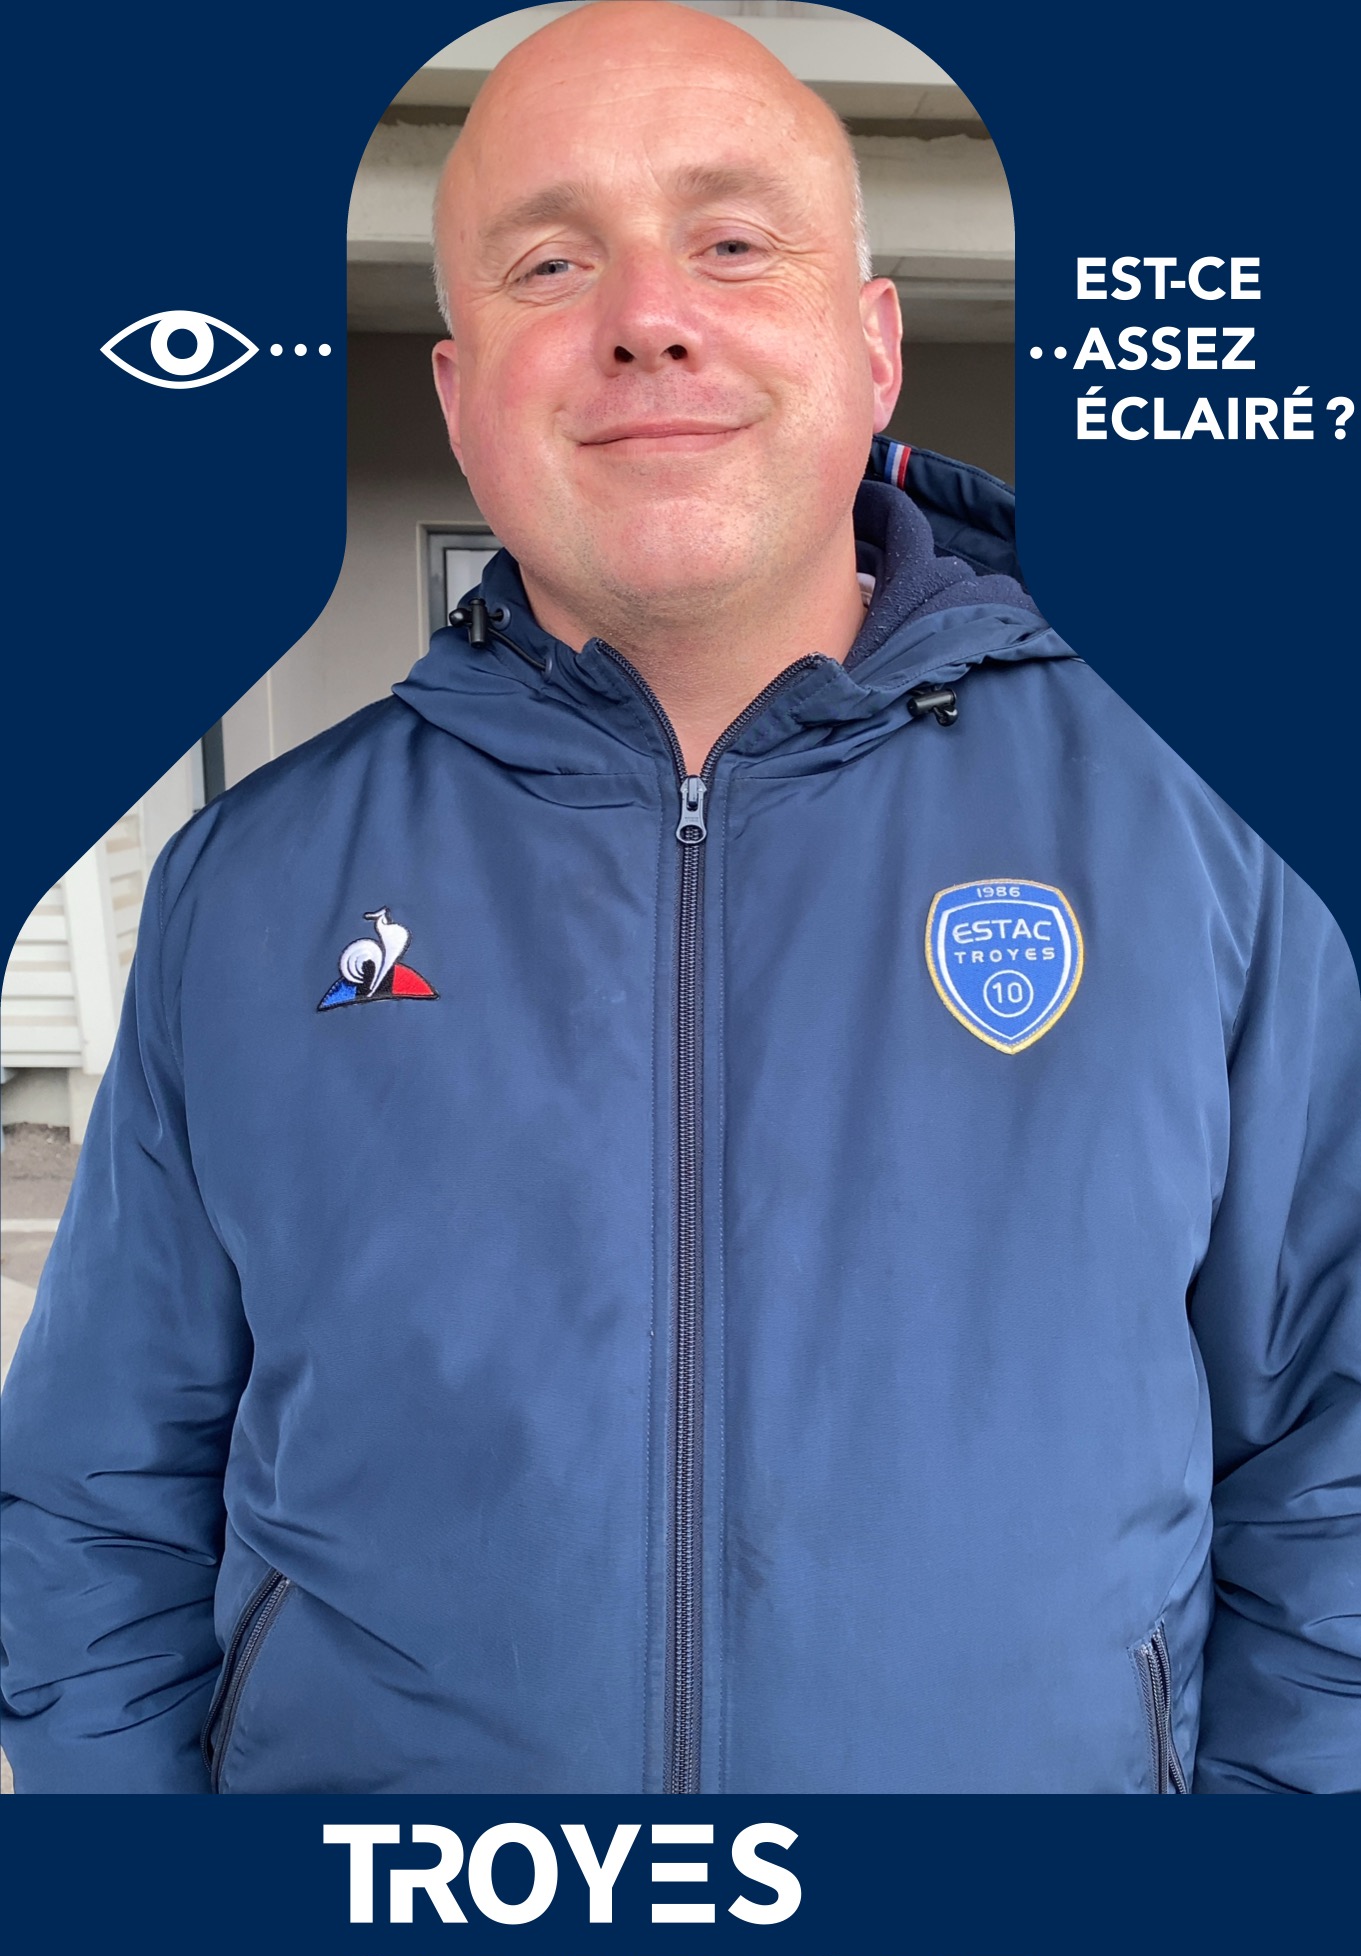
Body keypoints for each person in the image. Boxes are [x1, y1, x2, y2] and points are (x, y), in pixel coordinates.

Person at [2, 1, 1358, 1794]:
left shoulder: (1214, 827)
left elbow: (1332, 1454)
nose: (646, 316)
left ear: (872, 345)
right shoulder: (248, 884)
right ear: (458, 396)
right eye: (550, 263)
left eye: (730, 243)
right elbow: (97, 1500)